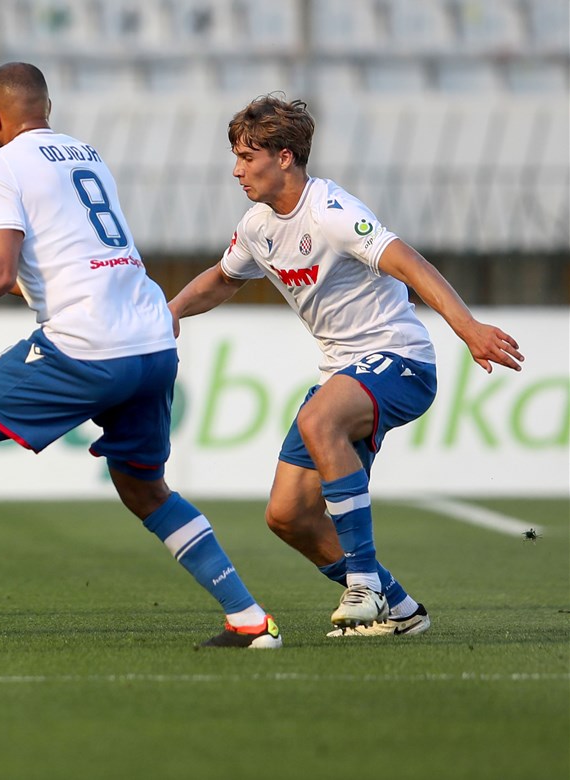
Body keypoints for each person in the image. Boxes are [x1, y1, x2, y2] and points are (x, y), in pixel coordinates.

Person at [0, 62, 282, 649]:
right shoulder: (85, 154)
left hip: (84, 346)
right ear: (44, 109)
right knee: (144, 487)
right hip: (151, 340)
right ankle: (250, 619)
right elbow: (45, 268)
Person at [167, 95, 524, 636]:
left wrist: (467, 327)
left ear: (285, 157)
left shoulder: (332, 212)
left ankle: (364, 583)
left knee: (318, 420)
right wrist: (170, 312)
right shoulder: (258, 224)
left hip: (400, 359)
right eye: (236, 157)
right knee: (287, 517)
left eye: (247, 156)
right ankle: (401, 610)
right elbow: (222, 278)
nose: (237, 170)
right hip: (344, 373)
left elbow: (411, 263)